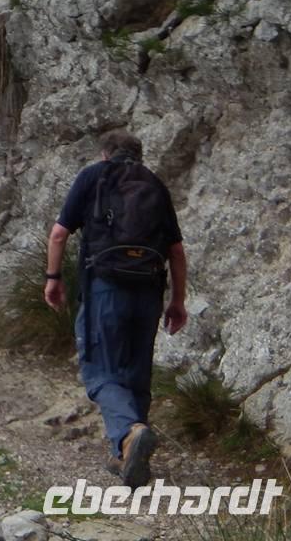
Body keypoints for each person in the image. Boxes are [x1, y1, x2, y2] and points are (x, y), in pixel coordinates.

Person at [45, 130, 187, 490]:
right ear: (139, 156)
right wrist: (177, 301)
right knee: (137, 373)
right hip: (149, 289)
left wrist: (53, 278)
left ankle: (129, 431)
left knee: (100, 371)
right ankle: (126, 455)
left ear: (105, 154)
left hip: (105, 288)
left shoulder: (93, 176)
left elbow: (59, 234)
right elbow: (176, 251)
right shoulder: (154, 184)